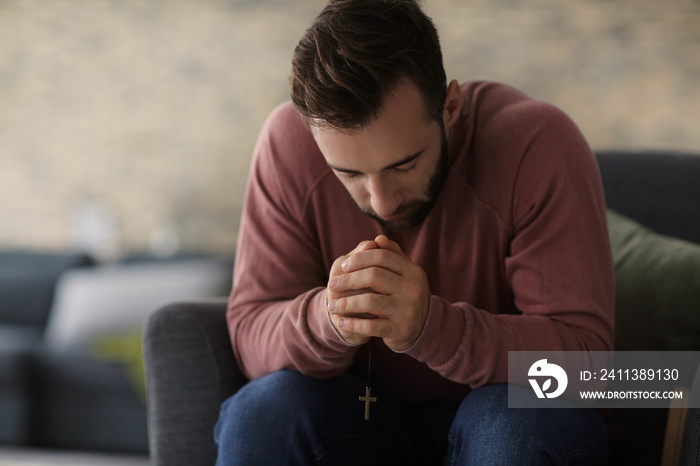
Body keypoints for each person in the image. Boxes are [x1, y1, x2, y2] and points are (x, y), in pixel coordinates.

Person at [215, 0, 615, 464]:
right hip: (366, 418)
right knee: (264, 412)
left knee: (511, 426)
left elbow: (590, 367)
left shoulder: (537, 144)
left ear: (450, 106)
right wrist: (330, 319)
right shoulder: (288, 145)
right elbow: (249, 332)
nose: (381, 203)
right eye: (349, 173)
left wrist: (433, 329)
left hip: (509, 418)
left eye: (404, 164)